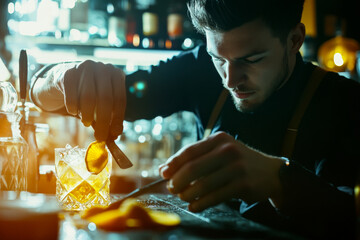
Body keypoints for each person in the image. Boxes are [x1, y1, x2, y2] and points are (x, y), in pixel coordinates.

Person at [30, 0, 360, 238]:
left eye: (252, 59)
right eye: (219, 58)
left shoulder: (344, 104)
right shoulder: (200, 70)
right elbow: (40, 91)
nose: (230, 79)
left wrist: (278, 179)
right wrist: (62, 77)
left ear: (294, 40)